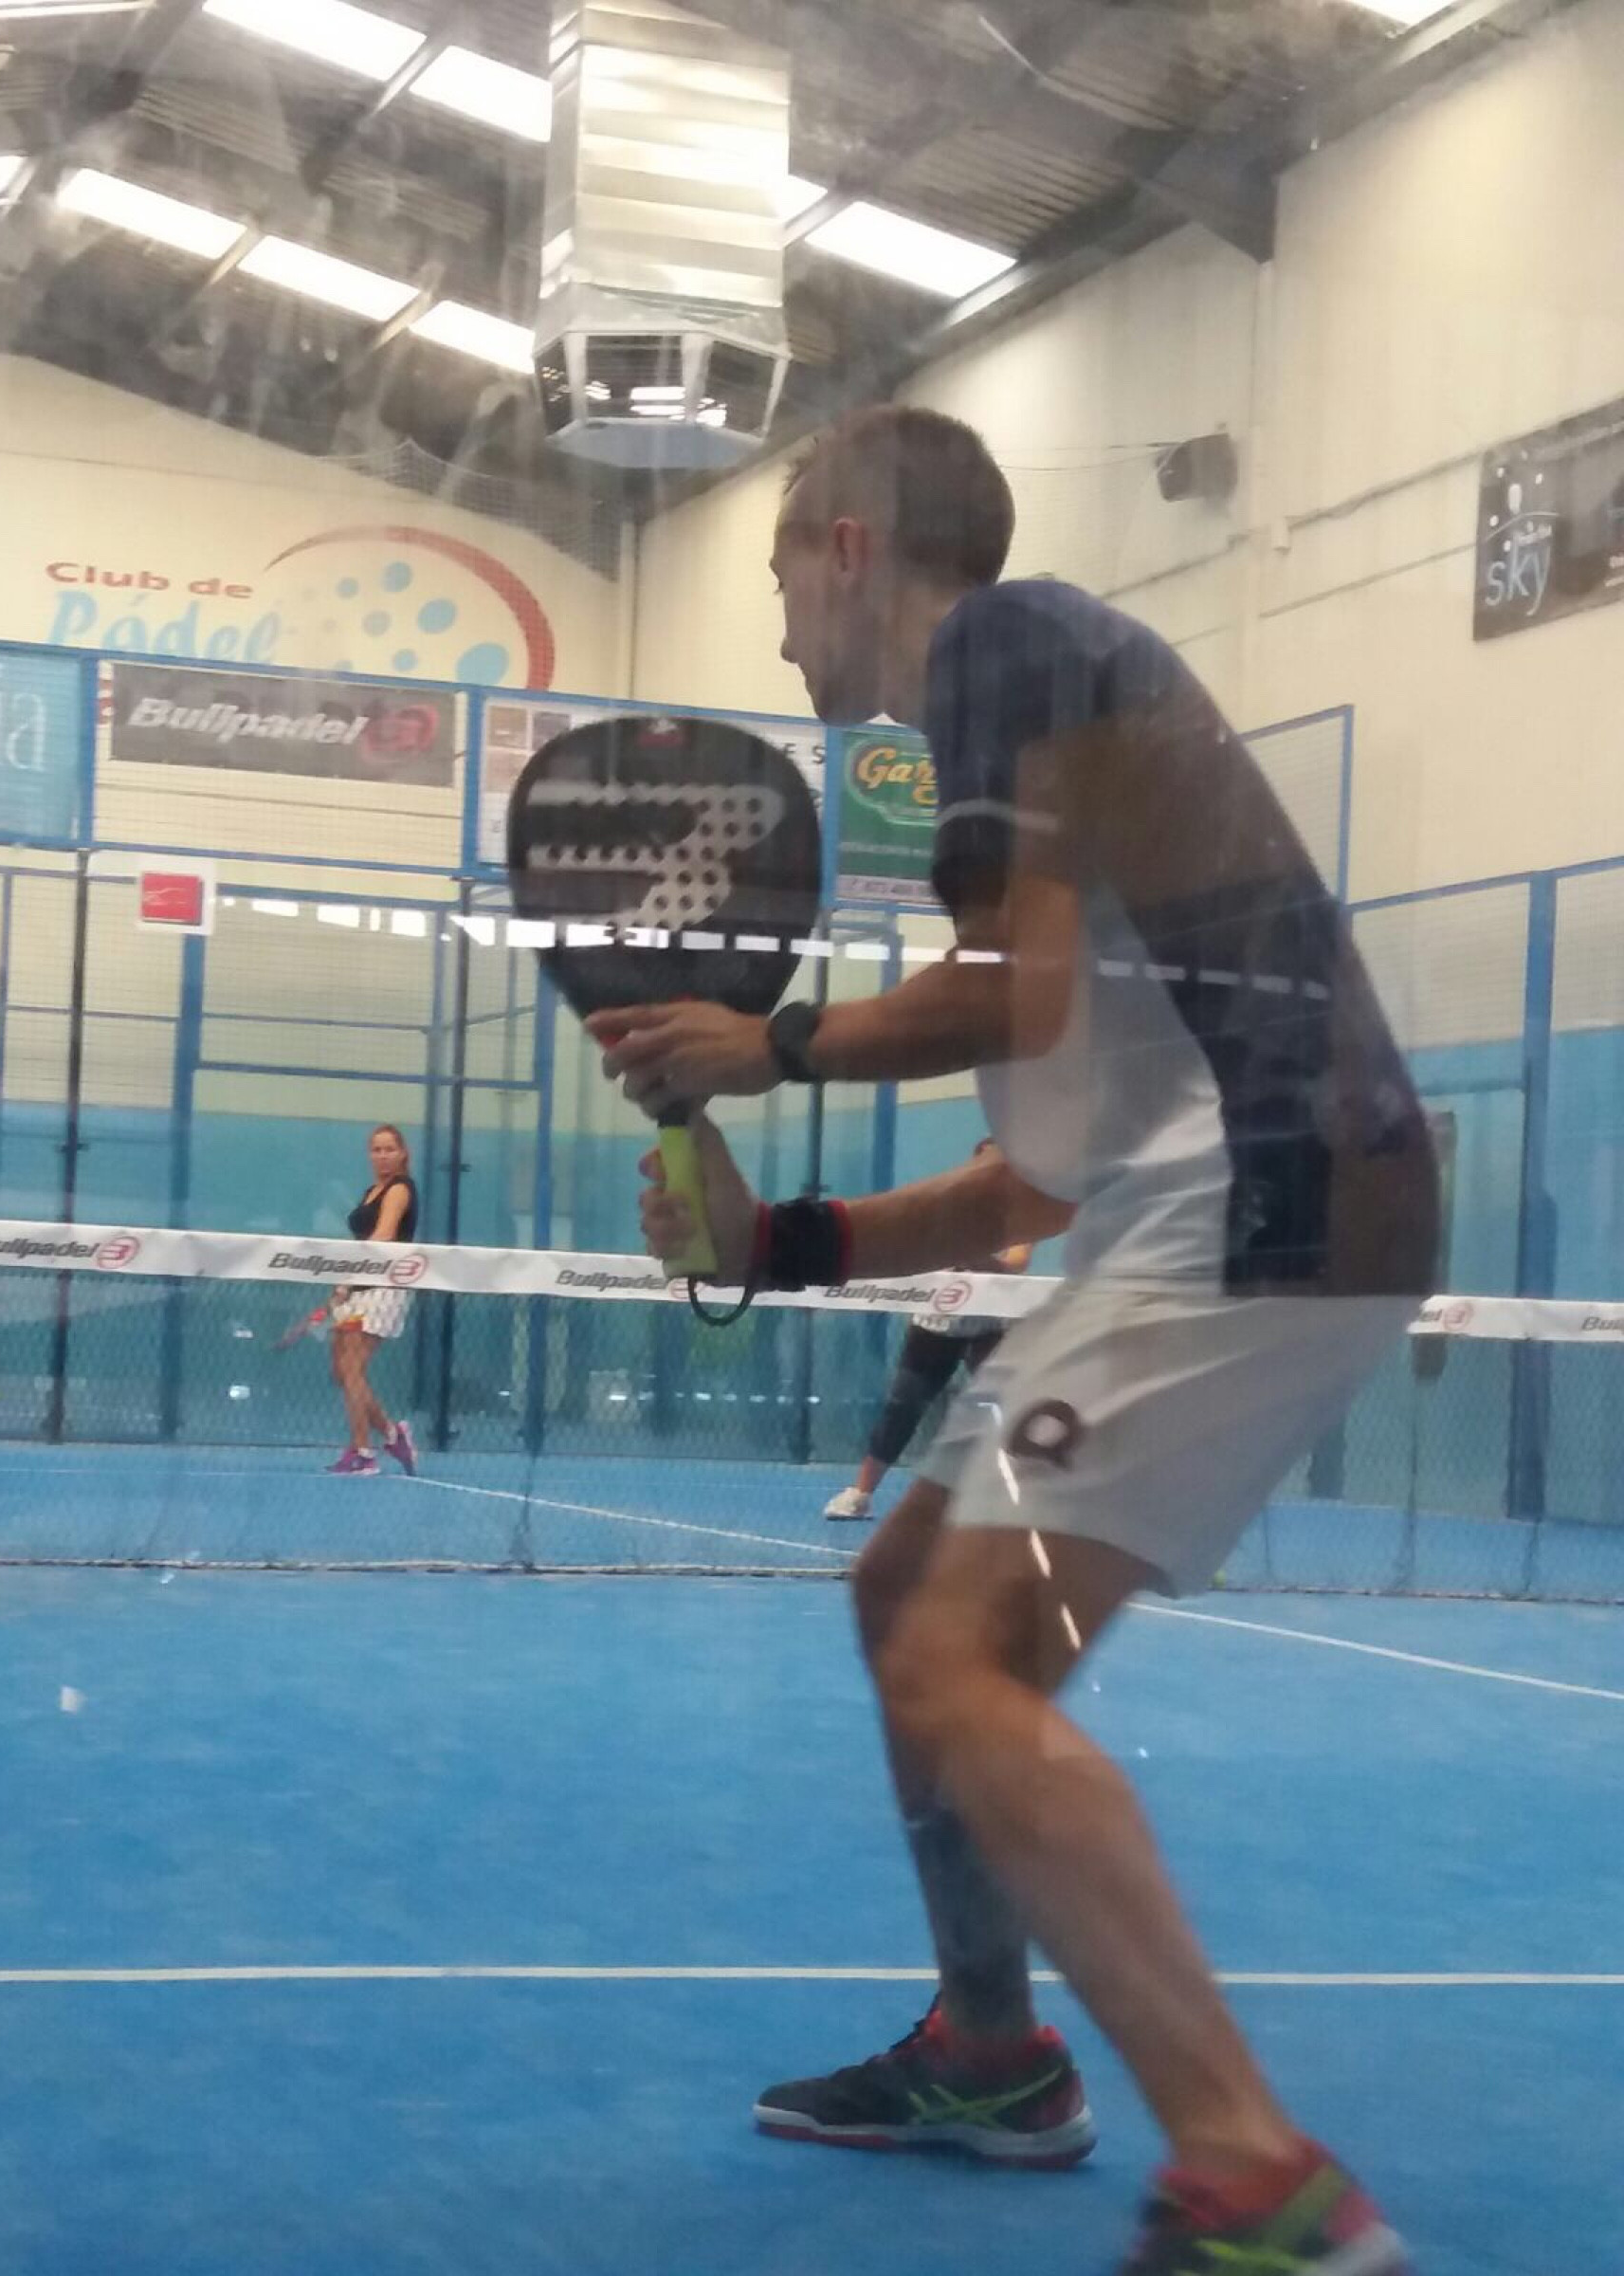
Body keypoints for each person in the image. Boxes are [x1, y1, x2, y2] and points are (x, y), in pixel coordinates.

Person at [592, 405, 1436, 2275]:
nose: (781, 635)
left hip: (1280, 1189)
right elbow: (1026, 1189)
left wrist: (771, 1045)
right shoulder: (1046, 744)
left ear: (846, 546)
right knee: (903, 1595)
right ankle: (991, 2054)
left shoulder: (1002, 643)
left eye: (780, 579)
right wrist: (780, 1238)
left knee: (960, 1656)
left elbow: (1011, 991)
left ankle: (1258, 2184)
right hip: (1226, 1195)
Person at [825, 1140, 1045, 1522]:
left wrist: (975, 1258)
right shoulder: (951, 1203)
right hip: (939, 1319)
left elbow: (1017, 1263)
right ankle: (860, 1494)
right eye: (988, 1160)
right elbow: (928, 1247)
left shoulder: (1026, 1214)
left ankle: (1031, 1497)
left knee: (1010, 1404)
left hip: (991, 1321)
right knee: (904, 1405)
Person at [327, 1123, 420, 1478]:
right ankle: (393, 1435)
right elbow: (362, 1241)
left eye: (389, 1149)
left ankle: (363, 1452)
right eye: (376, 1150)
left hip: (384, 1288)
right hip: (359, 1285)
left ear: (402, 1153)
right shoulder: (371, 1191)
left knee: (352, 1368)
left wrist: (351, 1281)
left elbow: (383, 1236)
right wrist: (346, 1282)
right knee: (341, 1369)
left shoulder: (400, 1189)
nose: (382, 1156)